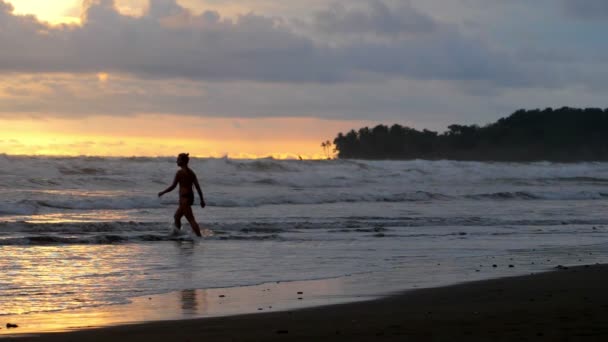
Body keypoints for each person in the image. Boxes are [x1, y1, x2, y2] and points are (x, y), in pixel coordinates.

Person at [158, 153, 206, 237]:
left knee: (191, 219)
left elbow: (173, 186)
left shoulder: (180, 173)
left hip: (184, 199)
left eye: (178, 159)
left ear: (182, 161)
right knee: (177, 216)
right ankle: (177, 234)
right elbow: (198, 187)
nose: (176, 161)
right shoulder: (191, 173)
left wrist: (163, 192)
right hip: (189, 198)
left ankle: (199, 237)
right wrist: (202, 200)